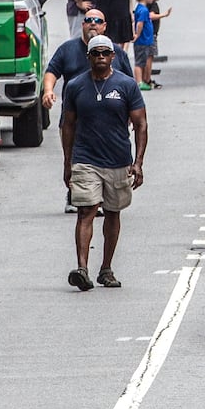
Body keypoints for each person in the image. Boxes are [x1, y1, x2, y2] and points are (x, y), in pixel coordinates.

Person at [61, 35, 147, 292]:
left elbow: (141, 125)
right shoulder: (76, 86)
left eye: (104, 53)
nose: (100, 57)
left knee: (112, 213)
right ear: (88, 57)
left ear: (112, 57)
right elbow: (68, 126)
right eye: (95, 53)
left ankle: (106, 268)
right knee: (86, 211)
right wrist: (68, 162)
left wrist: (138, 162)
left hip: (118, 160)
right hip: (85, 159)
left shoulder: (127, 85)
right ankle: (82, 268)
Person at [131, 0, 168, 90]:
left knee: (143, 60)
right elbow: (140, 23)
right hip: (143, 40)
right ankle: (139, 82)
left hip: (146, 39)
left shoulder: (141, 8)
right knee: (140, 62)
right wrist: (137, 34)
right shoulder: (143, 10)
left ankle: (142, 80)